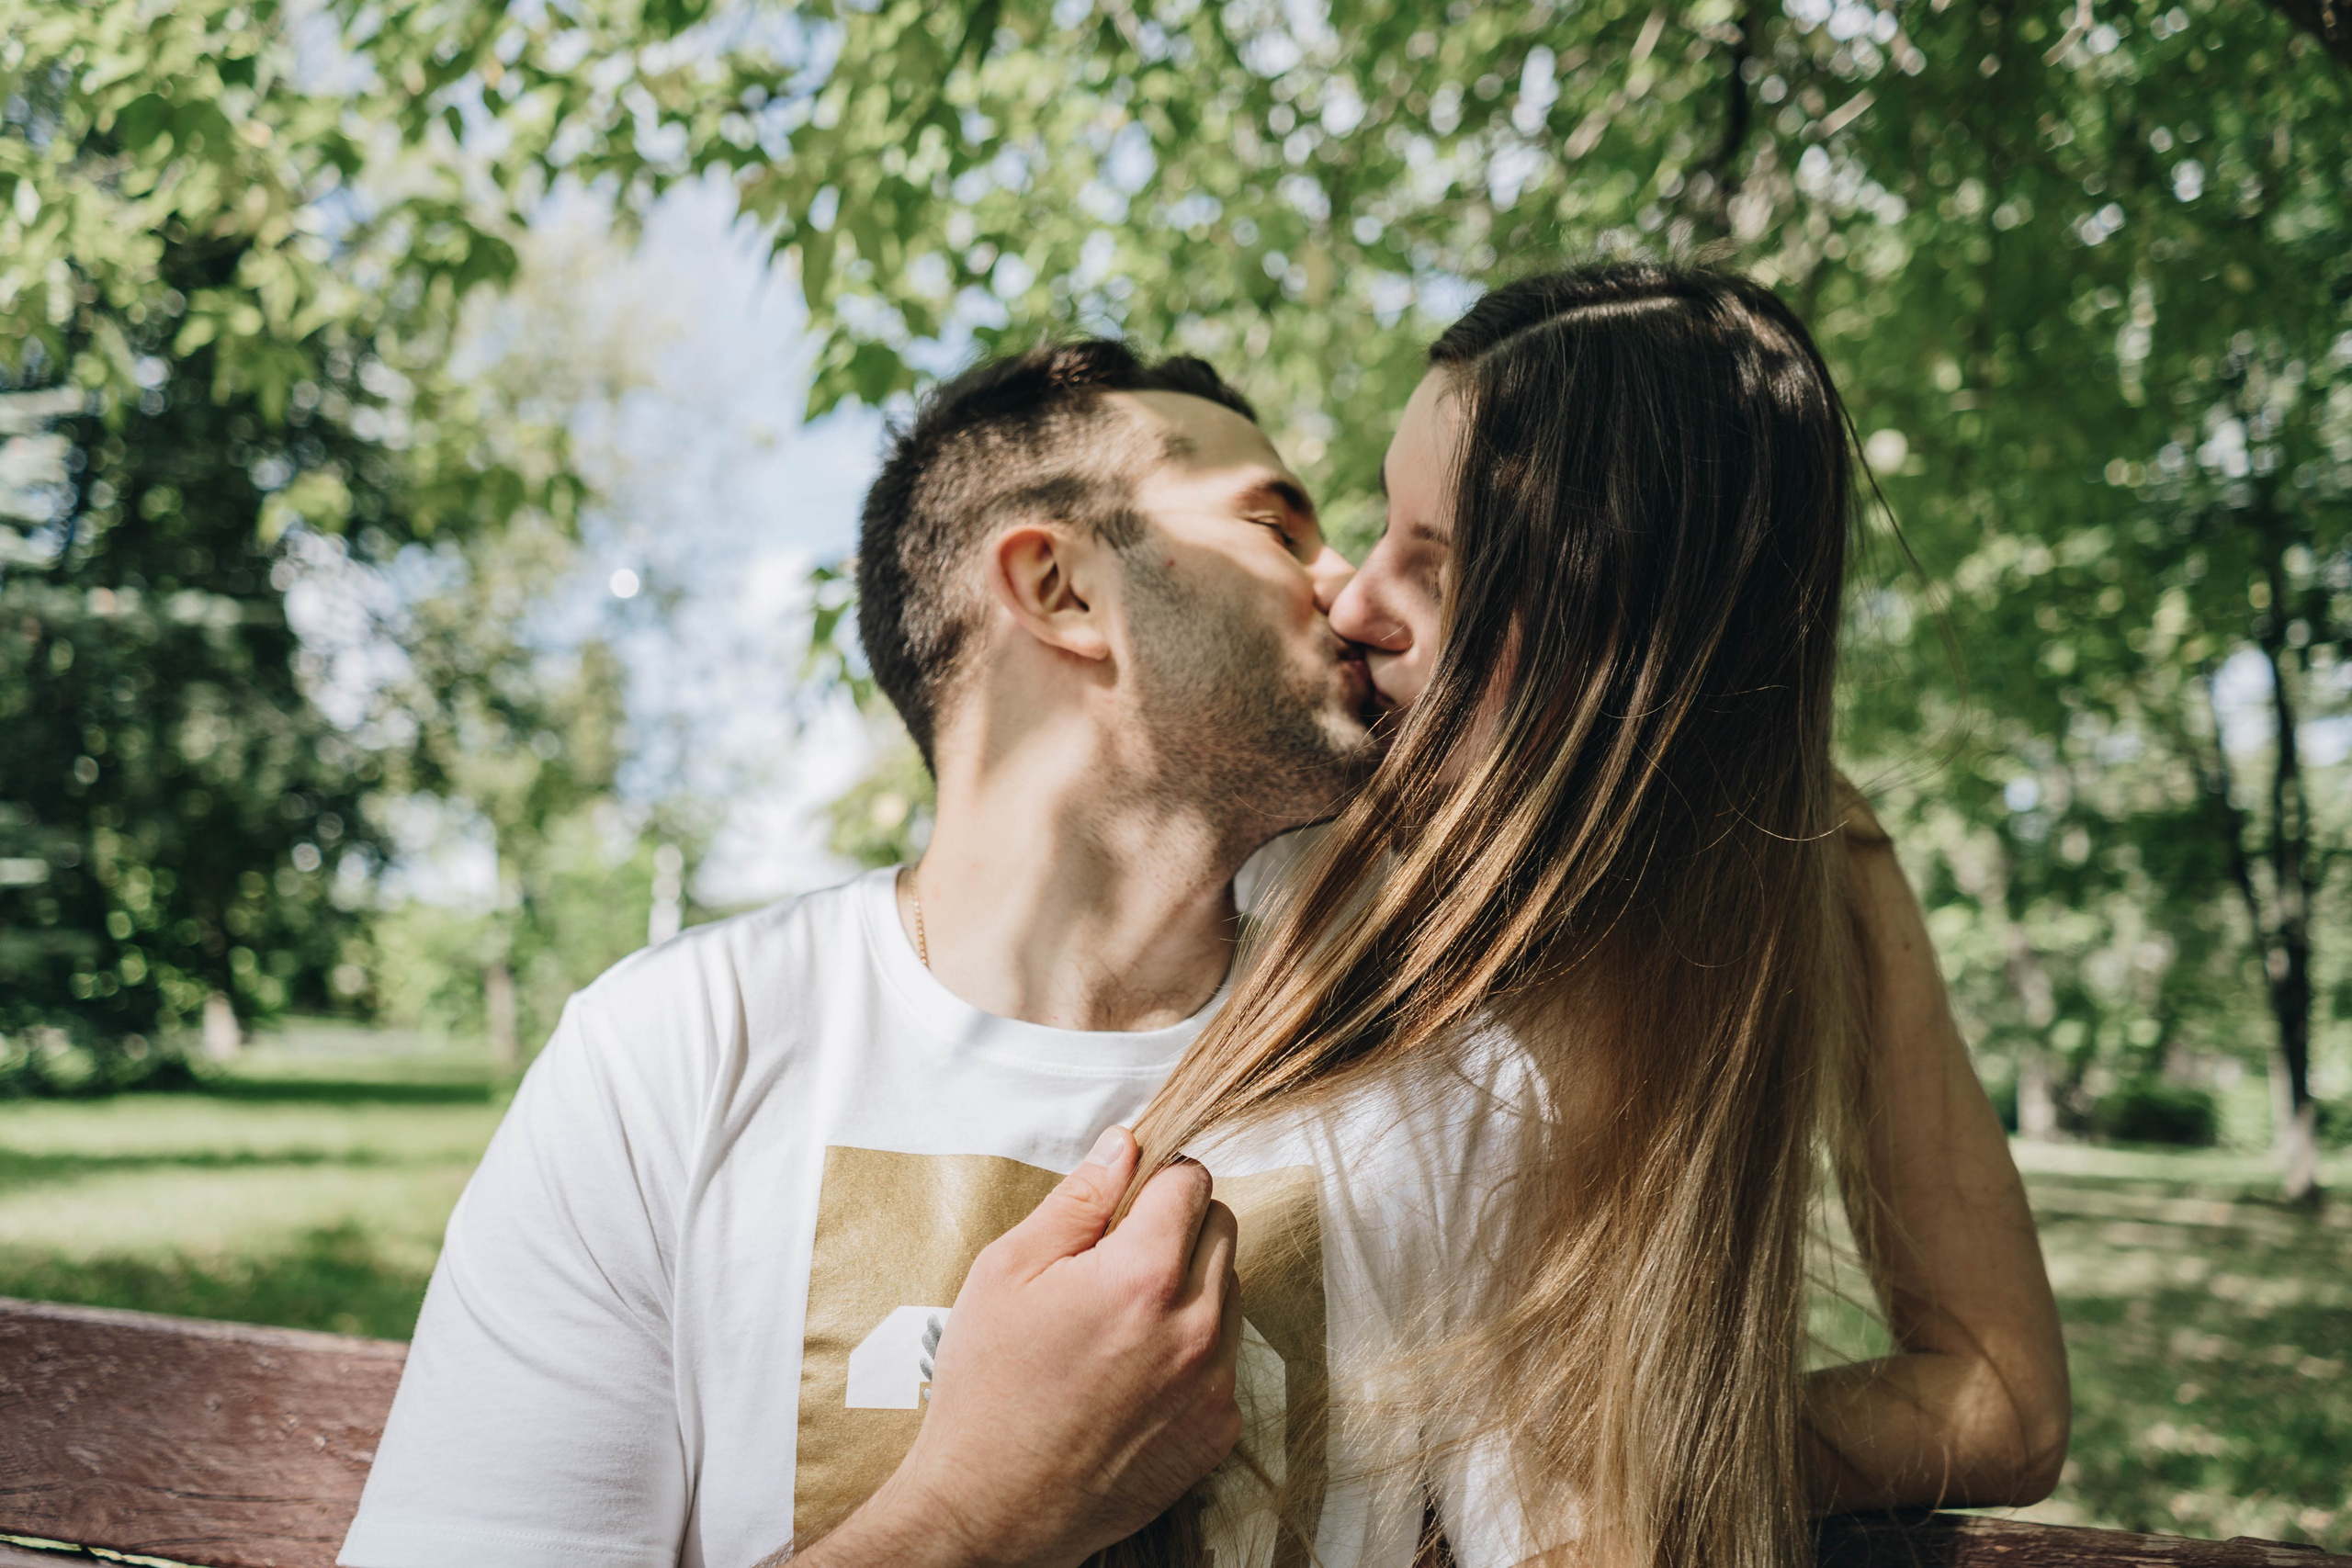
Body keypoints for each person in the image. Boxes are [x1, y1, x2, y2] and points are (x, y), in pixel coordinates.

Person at [339, 341, 1403, 1568]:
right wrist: (975, 1518)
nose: (1356, 591)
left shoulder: (1426, 1076)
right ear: (1062, 590)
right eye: (1277, 527)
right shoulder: (678, 1053)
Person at [1123, 263, 2071, 1567]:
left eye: (1437, 568)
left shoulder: (1805, 860)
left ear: (1619, 632)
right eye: (1383, 526)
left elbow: (2004, 1394)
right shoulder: (1304, 822)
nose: (1352, 604)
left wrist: (1631, 1449)